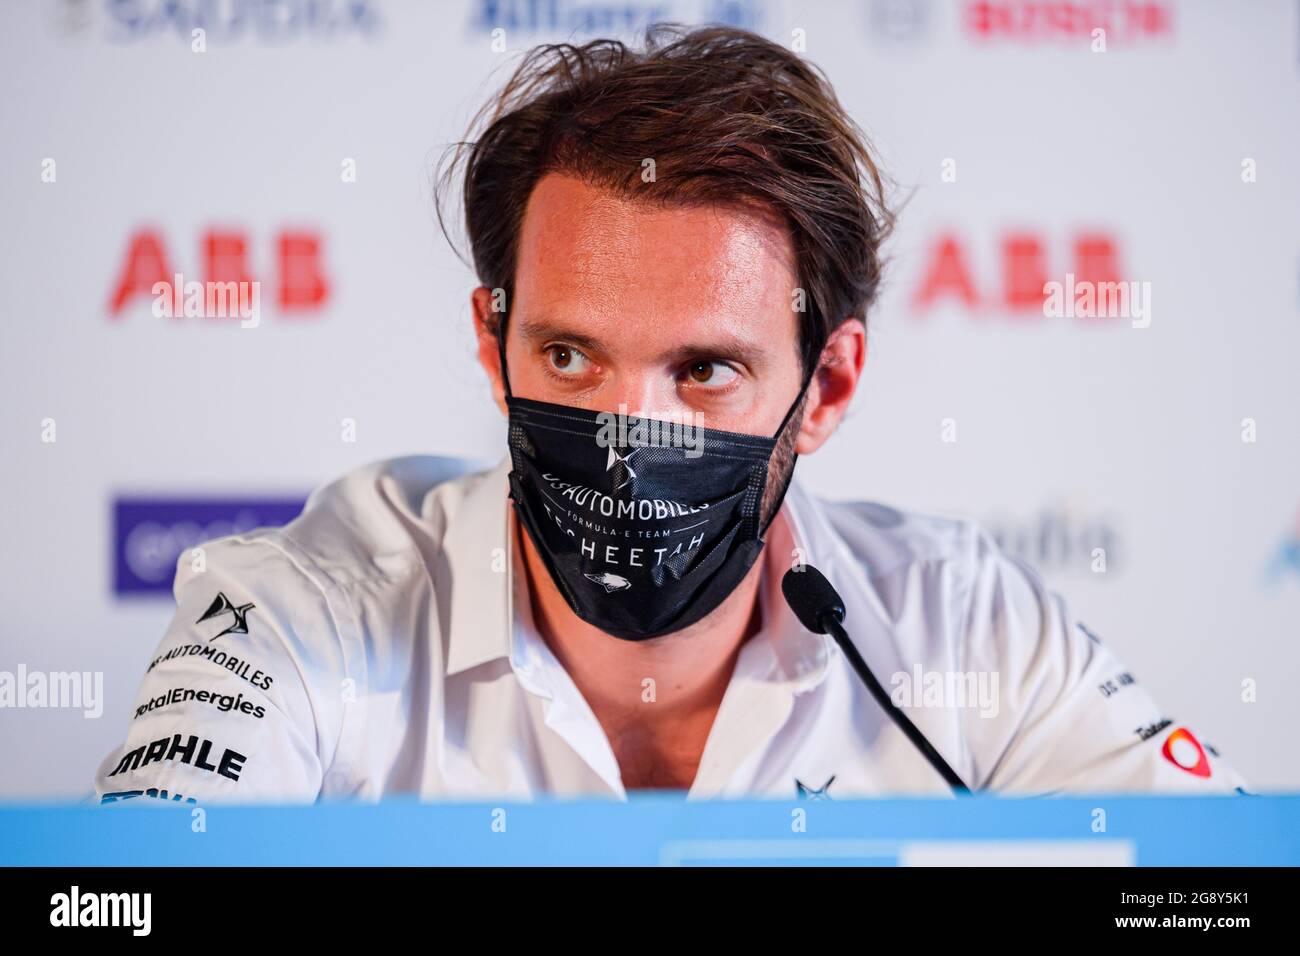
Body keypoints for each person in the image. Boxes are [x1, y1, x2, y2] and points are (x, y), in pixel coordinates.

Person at [95, 25, 1246, 805]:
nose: (627, 432)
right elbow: (127, 897)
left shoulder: (964, 630)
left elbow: (1202, 893)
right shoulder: (302, 618)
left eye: (702, 370)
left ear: (827, 387)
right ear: (493, 347)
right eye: (569, 355)